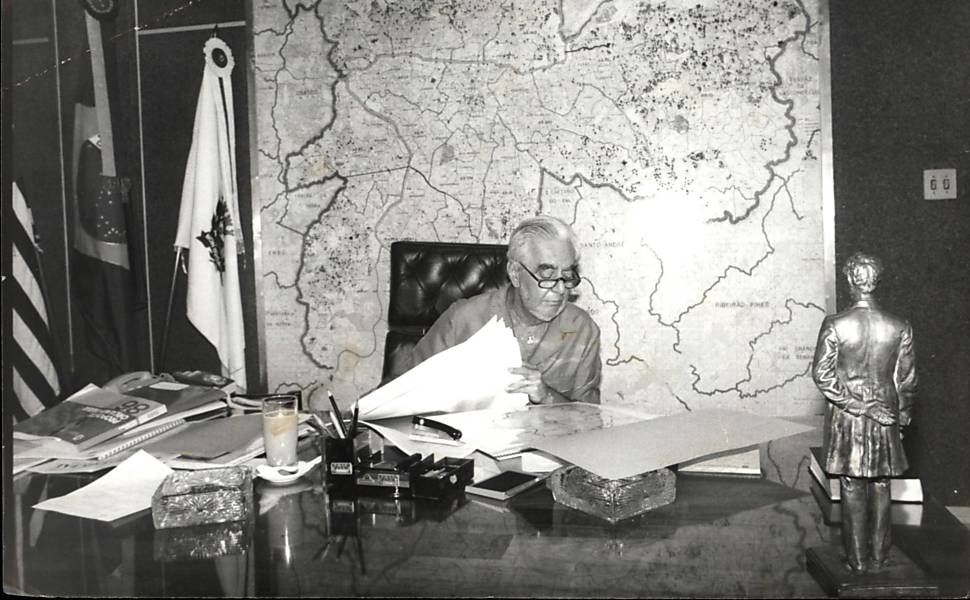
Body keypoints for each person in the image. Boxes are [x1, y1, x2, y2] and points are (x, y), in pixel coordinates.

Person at [408, 215, 601, 404]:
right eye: (548, 277)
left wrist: (547, 397)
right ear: (515, 274)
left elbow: (590, 417)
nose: (560, 290)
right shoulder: (463, 319)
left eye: (567, 276)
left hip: (549, 435)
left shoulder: (582, 330)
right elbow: (402, 389)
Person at [811, 252, 917, 574]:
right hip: (886, 415)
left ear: (849, 281)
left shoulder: (835, 325)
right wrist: (902, 420)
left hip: (849, 419)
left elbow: (822, 375)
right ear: (877, 281)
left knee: (852, 485)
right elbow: (907, 380)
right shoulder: (899, 326)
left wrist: (856, 405)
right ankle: (880, 557)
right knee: (882, 485)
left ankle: (857, 561)